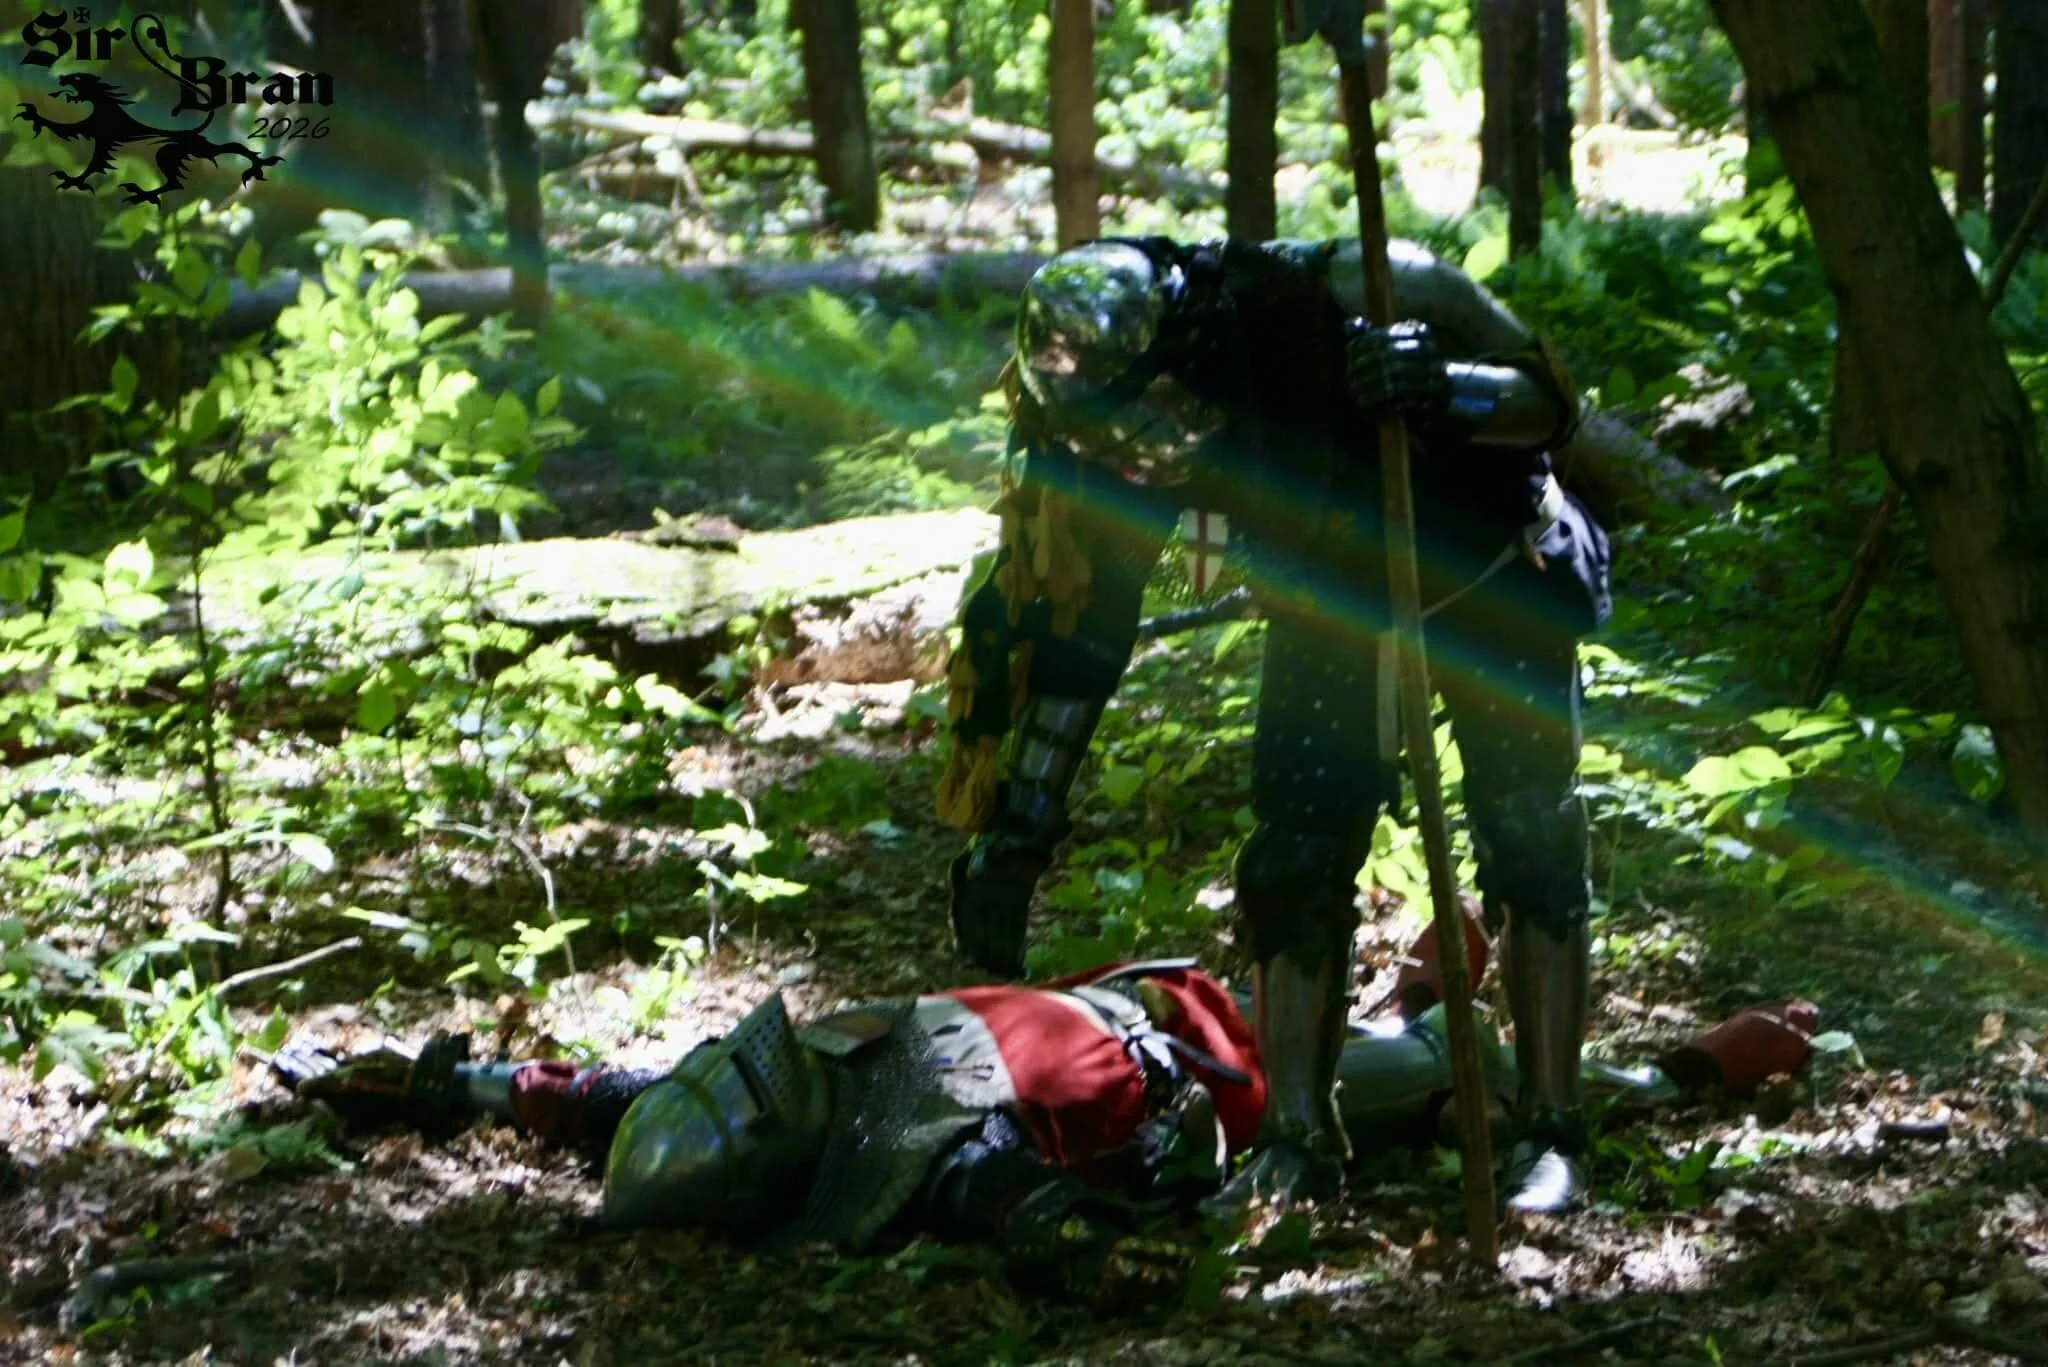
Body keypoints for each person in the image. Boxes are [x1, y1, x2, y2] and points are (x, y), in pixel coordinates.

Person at [935, 235, 1613, 1212]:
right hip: (1329, 588)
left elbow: (1549, 400)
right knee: (1293, 854)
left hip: (1491, 562)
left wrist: (1434, 381)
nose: (1143, 441)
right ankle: (1295, 1139)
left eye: (1152, 411)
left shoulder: (1359, 284)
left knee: (1531, 833)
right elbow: (1079, 622)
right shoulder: (1087, 421)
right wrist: (1016, 823)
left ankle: (1550, 1127)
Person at [275, 946, 1817, 1282]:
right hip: (1226, 1076)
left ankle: (1452, 1004)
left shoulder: (800, 1069)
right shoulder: (927, 1158)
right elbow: (1056, 1227)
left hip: (1196, 1020)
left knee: (1418, 1062)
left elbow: (600, 1092)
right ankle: (1707, 1058)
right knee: (1423, 1077)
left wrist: (453, 1084)